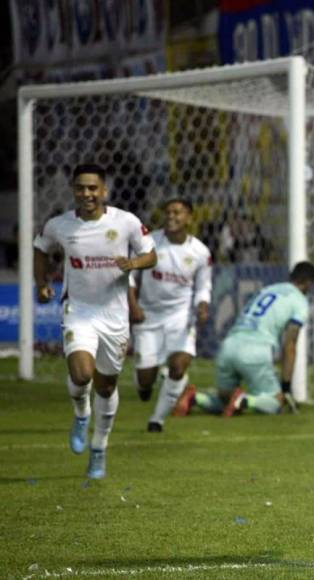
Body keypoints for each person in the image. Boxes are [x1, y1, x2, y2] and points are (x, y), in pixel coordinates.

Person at [33, 163, 157, 479]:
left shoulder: (126, 222)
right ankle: (80, 413)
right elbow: (41, 248)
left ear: (104, 190)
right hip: (80, 311)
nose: (86, 194)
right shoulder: (60, 225)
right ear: (73, 190)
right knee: (82, 372)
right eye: (80, 188)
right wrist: (42, 282)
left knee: (106, 386)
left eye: (92, 188)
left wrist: (133, 263)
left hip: (114, 316)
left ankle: (99, 448)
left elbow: (151, 254)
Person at [173, 261, 314, 417]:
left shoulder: (268, 289)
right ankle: (243, 400)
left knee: (224, 400)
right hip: (255, 351)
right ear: (309, 283)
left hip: (228, 346)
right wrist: (286, 387)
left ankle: (195, 398)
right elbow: (290, 345)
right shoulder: (299, 301)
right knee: (276, 403)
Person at [128, 198, 213, 433]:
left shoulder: (200, 252)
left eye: (178, 212)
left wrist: (203, 305)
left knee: (178, 366)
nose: (172, 216)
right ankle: (145, 384)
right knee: (146, 380)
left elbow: (203, 287)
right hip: (148, 316)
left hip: (181, 317)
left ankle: (157, 420)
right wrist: (133, 306)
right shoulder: (149, 242)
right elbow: (131, 278)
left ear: (189, 217)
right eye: (168, 212)